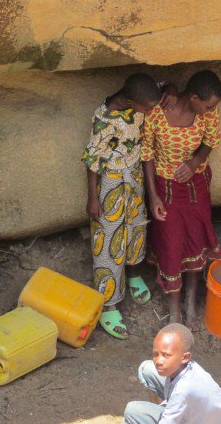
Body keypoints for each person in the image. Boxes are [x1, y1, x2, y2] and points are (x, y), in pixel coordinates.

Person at [82, 74, 177, 339]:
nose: (152, 111)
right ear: (131, 102)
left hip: (135, 176)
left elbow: (164, 86)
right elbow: (92, 160)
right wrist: (92, 198)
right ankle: (108, 303)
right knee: (107, 239)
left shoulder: (142, 95)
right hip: (110, 182)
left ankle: (133, 273)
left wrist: (171, 87)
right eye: (148, 108)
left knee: (136, 229)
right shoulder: (104, 118)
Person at [142, 70, 221, 329]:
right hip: (165, 187)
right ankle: (175, 310)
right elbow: (147, 154)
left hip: (195, 185)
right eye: (208, 105)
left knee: (195, 241)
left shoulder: (207, 114)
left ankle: (190, 299)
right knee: (172, 245)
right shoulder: (158, 113)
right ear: (194, 98)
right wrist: (153, 196)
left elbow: (211, 140)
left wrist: (195, 161)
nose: (212, 110)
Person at [124, 323, 221, 424]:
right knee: (147, 368)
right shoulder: (189, 368)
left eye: (166, 355)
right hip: (214, 416)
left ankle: (167, 412)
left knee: (133, 411)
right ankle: (166, 409)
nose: (158, 361)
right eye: (156, 354)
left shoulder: (182, 390)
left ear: (185, 357)